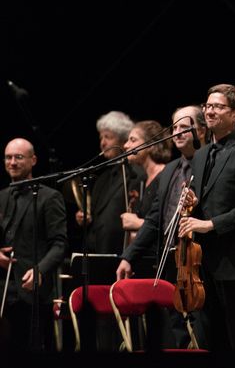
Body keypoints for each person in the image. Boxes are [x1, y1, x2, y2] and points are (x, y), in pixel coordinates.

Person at [179, 84, 235, 351]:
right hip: (204, 263)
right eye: (207, 106)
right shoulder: (201, 154)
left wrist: (211, 224)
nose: (210, 111)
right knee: (210, 338)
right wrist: (192, 203)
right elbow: (203, 199)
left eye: (218, 106)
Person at [116, 106, 208, 349]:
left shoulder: (210, 163)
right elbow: (156, 219)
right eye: (174, 127)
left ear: (201, 129)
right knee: (175, 330)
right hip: (170, 260)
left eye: (184, 127)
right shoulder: (170, 170)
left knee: (202, 331)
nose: (177, 132)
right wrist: (129, 257)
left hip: (200, 261)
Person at [0, 138, 67, 351]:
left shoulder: (49, 197)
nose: (12, 162)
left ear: (33, 160)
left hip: (31, 293)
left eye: (18, 157)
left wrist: (41, 269)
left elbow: (59, 244)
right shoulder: (1, 197)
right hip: (2, 290)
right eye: (8, 157)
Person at [75, 110, 139, 255]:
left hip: (118, 251)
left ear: (123, 140)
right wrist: (85, 217)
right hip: (94, 251)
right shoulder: (102, 177)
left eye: (108, 137)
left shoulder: (133, 173)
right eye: (101, 137)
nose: (102, 143)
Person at [119, 120, 173, 245]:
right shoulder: (141, 181)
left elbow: (170, 223)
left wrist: (137, 223)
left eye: (133, 140)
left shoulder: (167, 176)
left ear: (151, 145)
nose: (126, 145)